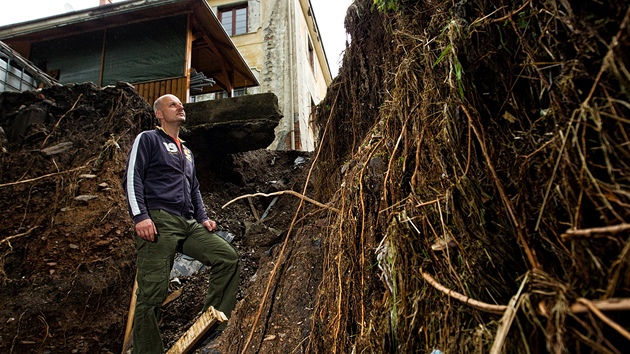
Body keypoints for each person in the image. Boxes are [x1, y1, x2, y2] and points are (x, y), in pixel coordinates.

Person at [123, 94, 240, 353]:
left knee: (228, 257)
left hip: (188, 223)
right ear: (159, 114)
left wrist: (203, 218)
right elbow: (133, 177)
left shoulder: (186, 150)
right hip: (159, 220)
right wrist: (140, 217)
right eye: (173, 104)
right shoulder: (149, 139)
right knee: (152, 294)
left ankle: (213, 325)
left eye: (181, 104)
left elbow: (193, 187)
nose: (180, 106)